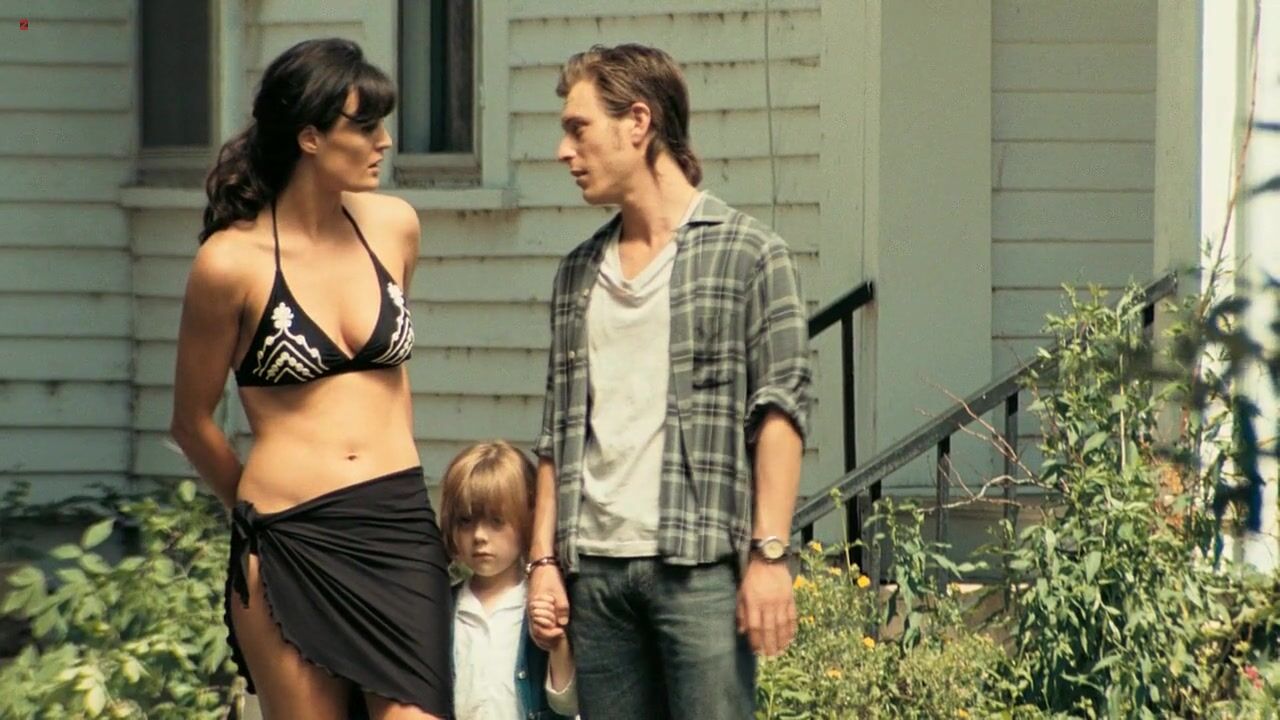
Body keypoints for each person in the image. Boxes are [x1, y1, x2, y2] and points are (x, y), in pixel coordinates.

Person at [526, 44, 812, 719]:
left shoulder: (749, 254)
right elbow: (557, 432)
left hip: (698, 568)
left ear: (638, 122)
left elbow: (780, 410)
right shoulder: (577, 273)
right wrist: (543, 563)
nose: (564, 152)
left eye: (578, 129)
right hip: (595, 573)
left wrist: (770, 556)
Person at [170, 38, 450, 720]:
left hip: (397, 527)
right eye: (366, 125)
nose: (384, 142)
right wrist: (260, 513)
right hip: (290, 538)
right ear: (310, 137)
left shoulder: (395, 227)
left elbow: (392, 381)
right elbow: (192, 422)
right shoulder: (230, 263)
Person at [439, 441, 578, 720]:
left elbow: (568, 705)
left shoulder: (545, 605)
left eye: (496, 521)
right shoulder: (443, 608)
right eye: (466, 521)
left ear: (528, 520)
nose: (479, 536)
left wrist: (557, 645)